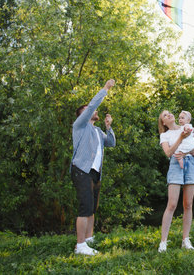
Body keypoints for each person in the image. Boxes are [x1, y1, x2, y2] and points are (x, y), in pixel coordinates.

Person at [70, 79, 116, 256]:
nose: (95, 111)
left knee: (92, 208)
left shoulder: (97, 131)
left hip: (95, 173)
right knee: (85, 207)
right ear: (84, 114)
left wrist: (108, 126)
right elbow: (91, 107)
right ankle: (80, 245)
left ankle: (88, 239)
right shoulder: (79, 126)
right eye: (91, 110)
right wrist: (105, 89)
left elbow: (110, 143)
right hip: (81, 170)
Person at [157, 110, 194, 252]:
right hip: (175, 164)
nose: (169, 115)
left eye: (169, 113)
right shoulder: (164, 135)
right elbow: (168, 153)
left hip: (190, 163)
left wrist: (188, 151)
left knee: (188, 204)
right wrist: (181, 138)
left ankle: (185, 239)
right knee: (172, 204)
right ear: (163, 123)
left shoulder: (186, 126)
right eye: (164, 116)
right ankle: (163, 242)